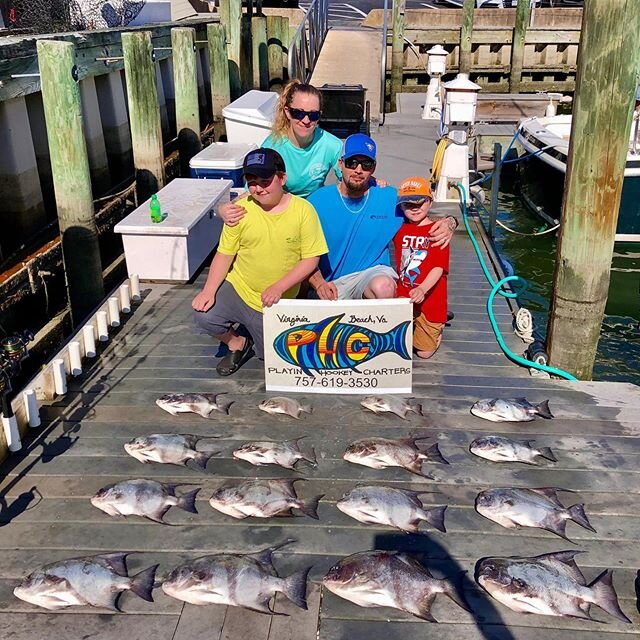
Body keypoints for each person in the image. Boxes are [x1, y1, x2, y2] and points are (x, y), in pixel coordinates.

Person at [192, 148, 328, 376]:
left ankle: (257, 337)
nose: (258, 188)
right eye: (252, 182)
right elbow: (224, 254)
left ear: (282, 178)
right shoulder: (239, 211)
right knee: (203, 313)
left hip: (277, 301)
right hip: (240, 289)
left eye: (266, 181)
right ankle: (235, 342)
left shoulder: (304, 211)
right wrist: (208, 290)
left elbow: (311, 258)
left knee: (271, 356)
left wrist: (279, 287)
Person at [306, 133, 457, 301]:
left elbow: (420, 211)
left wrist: (451, 222)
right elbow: (299, 251)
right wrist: (318, 283)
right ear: (340, 164)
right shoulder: (317, 201)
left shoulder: (390, 197)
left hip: (369, 275)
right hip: (329, 283)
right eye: (352, 162)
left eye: (366, 164)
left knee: (383, 286)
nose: (358, 170)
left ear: (374, 168)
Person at [393, 176, 449, 359]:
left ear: (430, 201)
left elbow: (439, 268)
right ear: (400, 207)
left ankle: (436, 330)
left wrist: (423, 289)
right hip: (405, 292)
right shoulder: (398, 228)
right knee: (399, 341)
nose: (415, 208)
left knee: (423, 352)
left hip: (431, 298)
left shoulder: (438, 231)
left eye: (420, 202)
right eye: (408, 204)